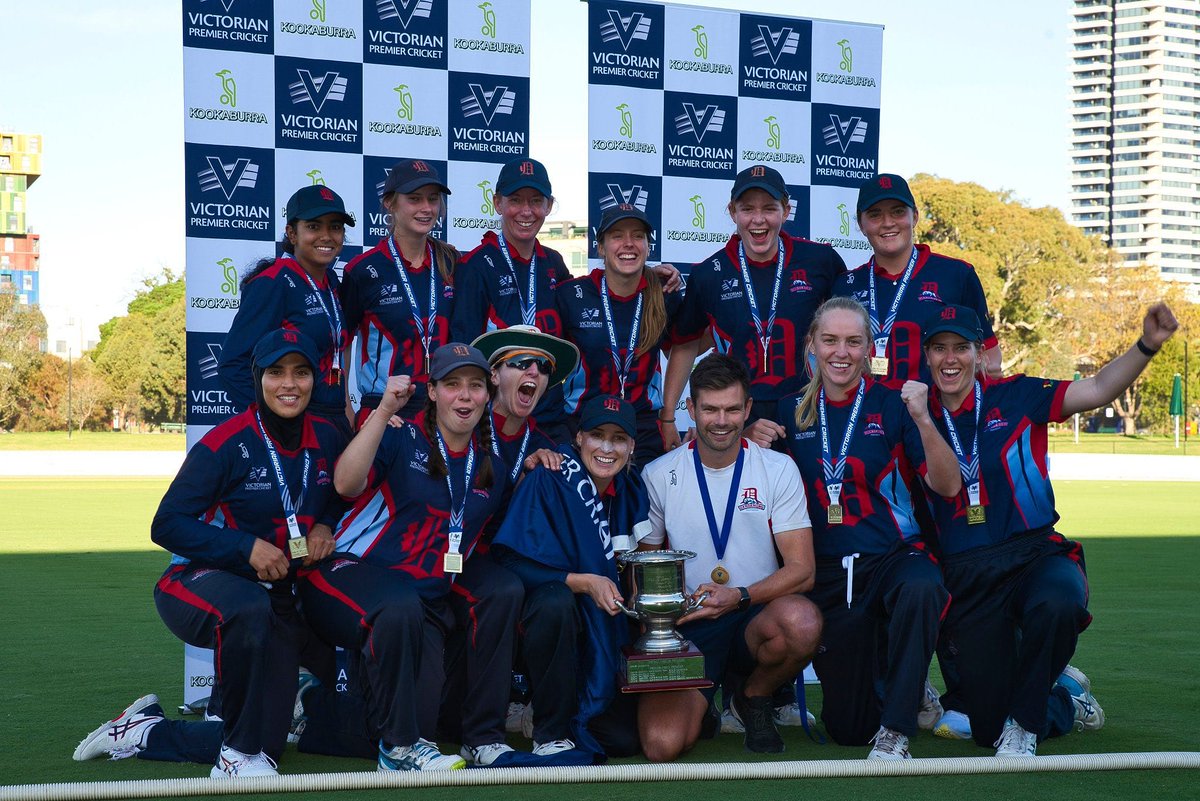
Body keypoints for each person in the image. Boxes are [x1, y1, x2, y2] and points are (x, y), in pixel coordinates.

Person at [73, 330, 346, 778]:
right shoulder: (227, 442)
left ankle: (144, 732)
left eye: (300, 372)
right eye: (276, 372)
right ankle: (234, 757)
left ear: (315, 379)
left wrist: (324, 523)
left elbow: (340, 492)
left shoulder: (328, 436)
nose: (289, 384)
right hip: (194, 583)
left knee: (269, 748)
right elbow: (167, 524)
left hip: (274, 600)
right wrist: (244, 547)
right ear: (258, 379)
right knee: (248, 608)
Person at [919, 302, 1177, 756]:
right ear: (927, 357)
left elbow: (1096, 388)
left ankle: (1027, 721)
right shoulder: (916, 415)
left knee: (1058, 600)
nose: (950, 358)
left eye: (961, 347)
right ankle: (1067, 699)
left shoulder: (1018, 395)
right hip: (966, 574)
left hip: (1033, 555)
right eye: (939, 348)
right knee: (985, 729)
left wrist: (1146, 346)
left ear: (980, 354)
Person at [295, 343, 522, 770]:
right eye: (452, 385)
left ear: (488, 396)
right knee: (397, 614)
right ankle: (396, 752)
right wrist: (381, 412)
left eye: (475, 386)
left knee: (423, 721)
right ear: (432, 392)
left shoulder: (493, 464)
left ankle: (310, 704)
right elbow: (344, 484)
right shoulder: (400, 432)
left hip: (421, 603)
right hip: (347, 573)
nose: (465, 396)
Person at [757, 296, 962, 759]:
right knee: (850, 728)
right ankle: (892, 685)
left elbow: (947, 487)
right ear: (812, 344)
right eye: (830, 340)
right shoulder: (788, 410)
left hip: (890, 557)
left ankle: (898, 725)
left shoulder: (893, 405)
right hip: (827, 572)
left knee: (921, 586)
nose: (841, 352)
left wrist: (924, 419)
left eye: (853, 341)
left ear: (869, 347)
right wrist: (755, 438)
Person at [637, 353, 823, 761]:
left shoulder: (778, 469)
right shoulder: (658, 473)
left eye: (732, 409)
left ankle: (752, 696)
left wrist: (738, 596)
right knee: (661, 745)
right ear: (691, 408)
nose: (721, 421)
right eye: (710, 409)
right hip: (692, 625)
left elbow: (802, 570)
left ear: (748, 408)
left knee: (803, 621)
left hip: (756, 615)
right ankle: (703, 704)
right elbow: (645, 572)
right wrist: (670, 617)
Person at [453, 158, 681, 442]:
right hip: (496, 415)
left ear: (548, 206)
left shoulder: (553, 262)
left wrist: (646, 275)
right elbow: (463, 350)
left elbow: (598, 299)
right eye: (516, 200)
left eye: (536, 201)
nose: (526, 211)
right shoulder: (475, 265)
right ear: (497, 203)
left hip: (549, 416)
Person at [491, 395, 650, 760]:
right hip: (544, 619)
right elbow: (510, 562)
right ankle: (550, 729)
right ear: (578, 439)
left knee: (624, 742)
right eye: (597, 435)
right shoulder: (550, 477)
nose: (607, 448)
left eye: (619, 438)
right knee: (554, 601)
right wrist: (582, 581)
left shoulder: (631, 491)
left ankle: (560, 708)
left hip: (601, 636)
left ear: (631, 446)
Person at [662, 165, 846, 445]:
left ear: (786, 210)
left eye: (769, 208)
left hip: (810, 409)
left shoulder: (821, 260)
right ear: (732, 212)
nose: (758, 220)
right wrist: (667, 417)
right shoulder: (709, 273)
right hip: (738, 416)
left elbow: (850, 330)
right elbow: (686, 344)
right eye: (747, 209)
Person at [832, 173, 1001, 388]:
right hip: (864, 417)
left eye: (898, 212)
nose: (887, 223)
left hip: (935, 418)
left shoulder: (957, 274)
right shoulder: (846, 285)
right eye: (875, 215)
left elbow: (991, 362)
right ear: (861, 224)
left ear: (915, 216)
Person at [218, 186, 355, 435]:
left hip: (332, 424)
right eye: (314, 226)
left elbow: (334, 354)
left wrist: (347, 414)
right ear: (292, 233)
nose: (327, 236)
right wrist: (274, 424)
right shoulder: (272, 283)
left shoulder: (333, 284)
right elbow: (232, 365)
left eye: (335, 227)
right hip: (297, 427)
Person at [557, 203, 683, 464]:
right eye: (617, 236)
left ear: (648, 246)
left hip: (642, 430)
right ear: (600, 247)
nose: (629, 244)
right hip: (584, 427)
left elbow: (686, 347)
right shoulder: (570, 295)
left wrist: (669, 417)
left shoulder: (664, 297)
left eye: (638, 236)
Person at [340, 159, 459, 422]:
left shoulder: (452, 262)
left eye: (433, 199)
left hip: (443, 411)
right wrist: (347, 407)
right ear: (390, 203)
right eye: (414, 199)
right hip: (385, 411)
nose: (427, 208)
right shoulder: (363, 269)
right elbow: (343, 344)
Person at [471, 324, 580, 477]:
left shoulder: (548, 451)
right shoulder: (463, 429)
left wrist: (535, 475)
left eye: (544, 365)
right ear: (494, 375)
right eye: (522, 361)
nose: (534, 372)